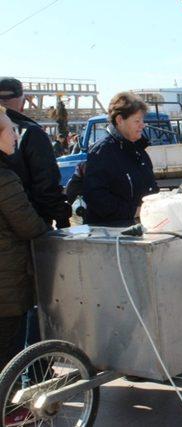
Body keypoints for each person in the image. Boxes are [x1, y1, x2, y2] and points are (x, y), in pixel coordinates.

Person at [0, 105, 48, 371]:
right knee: (9, 356)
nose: (16, 137)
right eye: (10, 131)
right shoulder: (5, 179)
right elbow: (29, 226)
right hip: (7, 283)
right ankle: (11, 411)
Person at [0, 77, 70, 229]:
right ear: (22, 101)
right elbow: (47, 184)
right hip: (27, 228)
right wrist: (62, 219)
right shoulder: (31, 133)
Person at [83, 92, 158, 226]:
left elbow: (151, 189)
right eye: (137, 121)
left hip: (141, 228)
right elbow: (96, 198)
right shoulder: (102, 152)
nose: (143, 125)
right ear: (119, 120)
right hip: (112, 236)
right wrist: (134, 211)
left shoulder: (139, 152)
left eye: (142, 120)